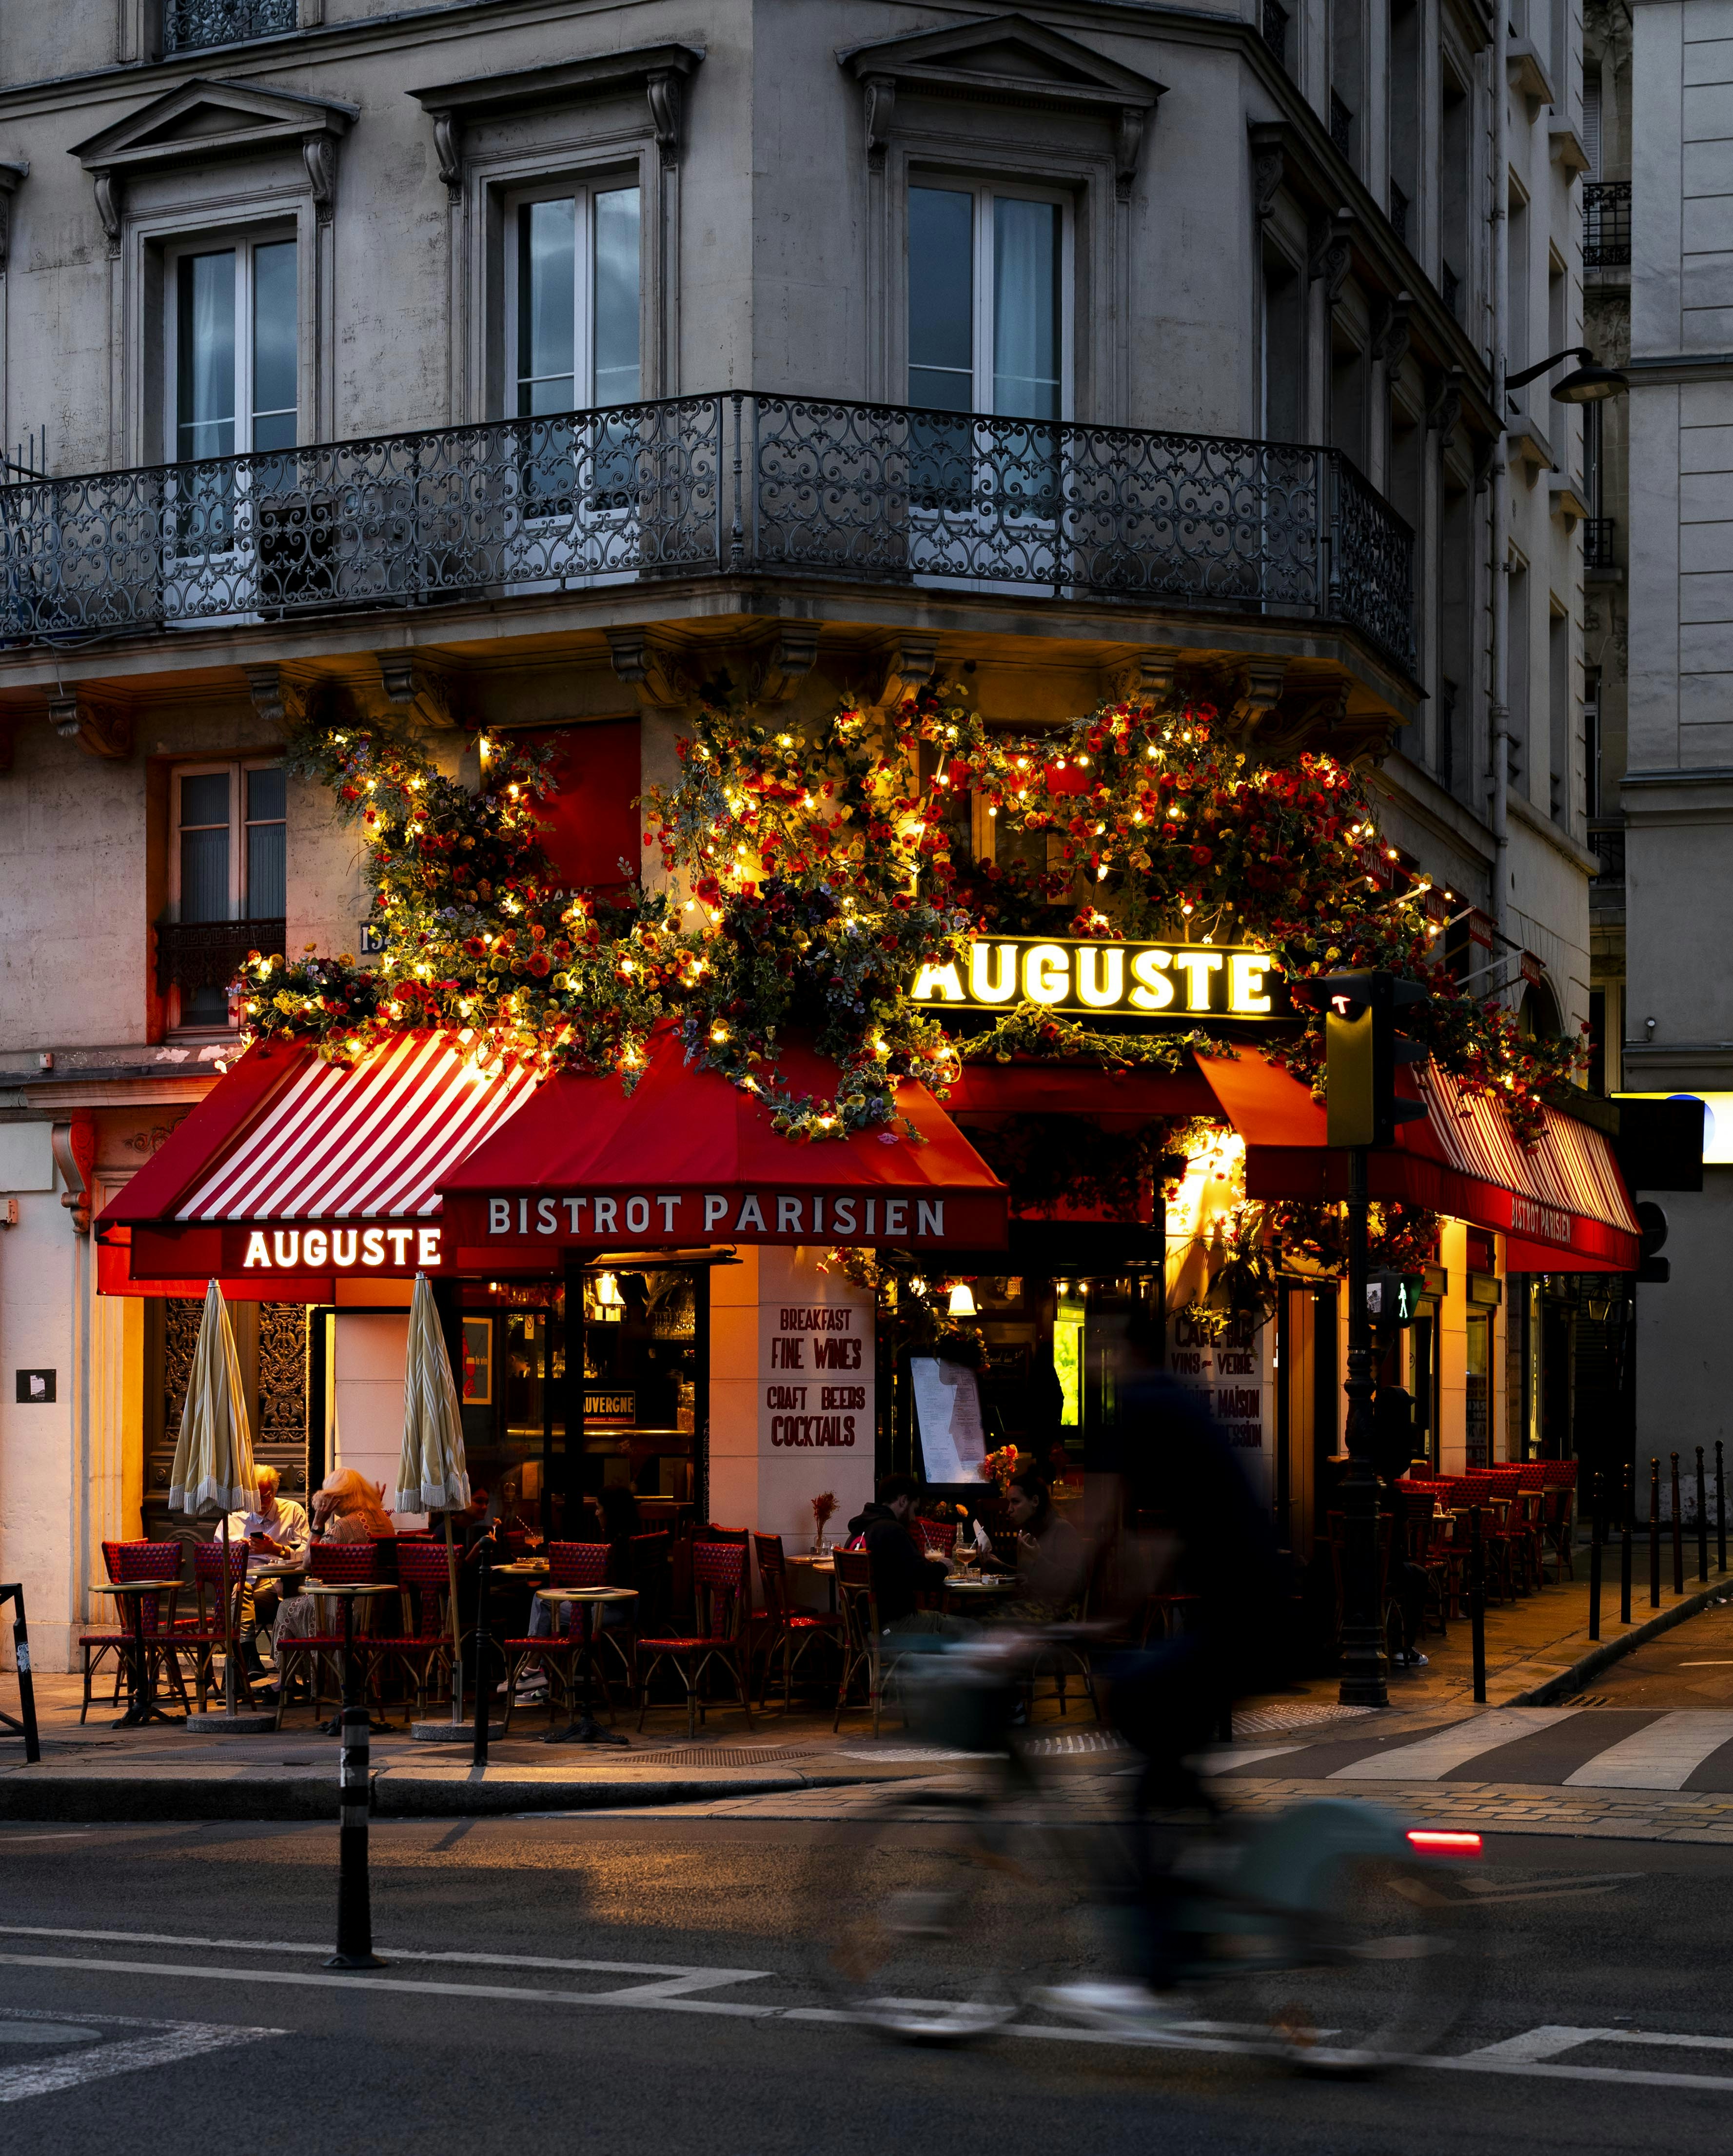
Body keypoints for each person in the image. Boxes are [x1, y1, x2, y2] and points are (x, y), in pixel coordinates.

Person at [1040, 1352, 1290, 2037]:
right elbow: (1156, 1543)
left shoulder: (1145, 1413)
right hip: (1254, 1616)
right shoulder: (1180, 1409)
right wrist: (1108, 1621)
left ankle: (1153, 1968)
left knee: (1137, 1727)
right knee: (1164, 1750)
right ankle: (1215, 1859)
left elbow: (1100, 1530)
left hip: (1238, 1622)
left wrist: (1040, 1620)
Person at [215, 1465, 309, 1683]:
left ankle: (245, 1669)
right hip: (244, 1585)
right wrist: (236, 1553)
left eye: (266, 1496)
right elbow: (216, 1562)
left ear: (275, 1492)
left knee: (236, 1604)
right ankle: (249, 1660)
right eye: (255, 1497)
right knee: (238, 1592)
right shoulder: (233, 1521)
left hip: (279, 1587)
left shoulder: (292, 1512)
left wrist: (276, 1549)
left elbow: (307, 1555)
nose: (260, 1503)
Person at [845, 1474, 957, 1632]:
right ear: (903, 1501)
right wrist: (944, 1567)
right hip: (894, 1626)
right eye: (914, 1510)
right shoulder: (892, 1530)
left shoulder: (858, 1531)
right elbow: (921, 1577)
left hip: (863, 1628)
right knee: (973, 1628)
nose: (913, 1518)